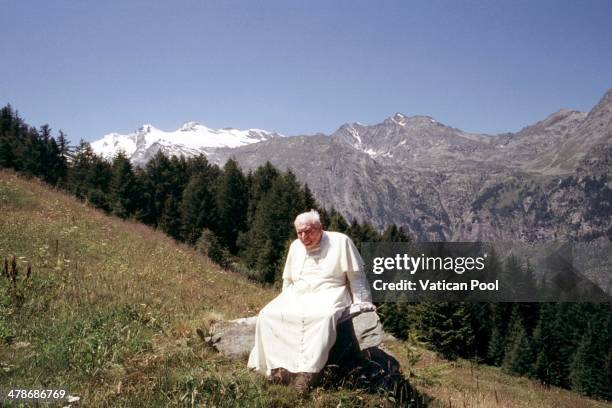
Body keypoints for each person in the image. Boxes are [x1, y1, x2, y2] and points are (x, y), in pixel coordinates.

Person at [247, 209, 376, 394]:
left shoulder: (341, 241)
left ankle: (307, 374)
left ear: (320, 227)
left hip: (331, 292)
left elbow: (356, 276)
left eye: (308, 231)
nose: (303, 236)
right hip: (298, 293)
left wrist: (362, 303)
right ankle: (278, 368)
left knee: (323, 317)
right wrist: (284, 301)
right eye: (299, 232)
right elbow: (288, 279)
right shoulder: (295, 246)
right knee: (268, 314)